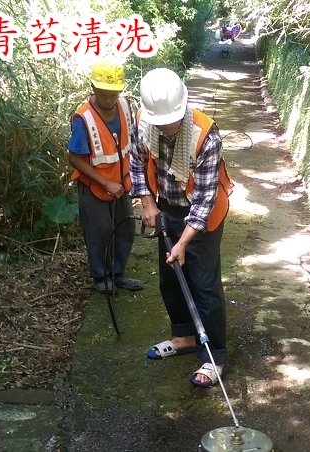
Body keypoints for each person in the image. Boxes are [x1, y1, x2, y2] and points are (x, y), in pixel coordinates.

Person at [130, 68, 233, 387]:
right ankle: (185, 337)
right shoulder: (142, 120)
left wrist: (184, 242)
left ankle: (215, 355)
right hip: (167, 206)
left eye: (170, 120)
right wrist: (148, 204)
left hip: (204, 213)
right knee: (170, 278)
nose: (165, 127)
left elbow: (204, 200)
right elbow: (135, 163)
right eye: (158, 122)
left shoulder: (205, 134)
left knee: (203, 284)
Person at [67, 60, 143, 294]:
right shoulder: (84, 118)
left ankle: (118, 273)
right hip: (96, 186)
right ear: (93, 88)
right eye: (104, 93)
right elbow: (75, 158)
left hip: (122, 182)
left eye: (114, 93)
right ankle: (100, 277)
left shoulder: (124, 106)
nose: (110, 98)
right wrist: (105, 182)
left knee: (125, 227)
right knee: (99, 231)